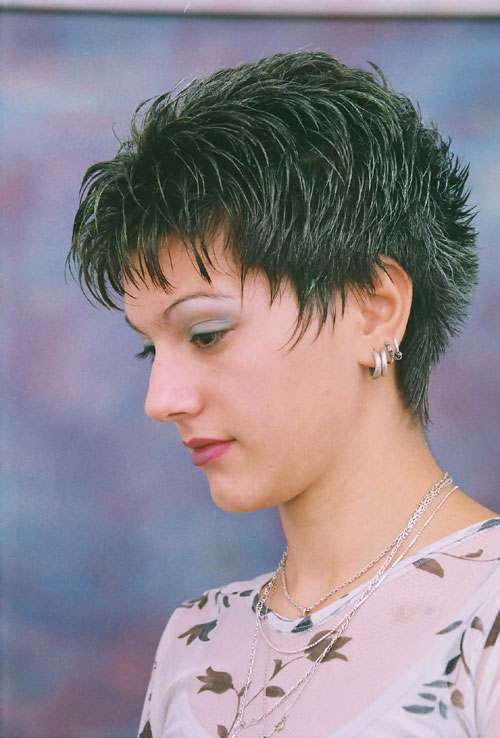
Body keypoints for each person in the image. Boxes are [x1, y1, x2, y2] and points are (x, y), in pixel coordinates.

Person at [68, 51, 499, 738]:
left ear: (375, 308)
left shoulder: (486, 620)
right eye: (152, 348)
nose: (161, 399)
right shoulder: (196, 641)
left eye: (206, 334)